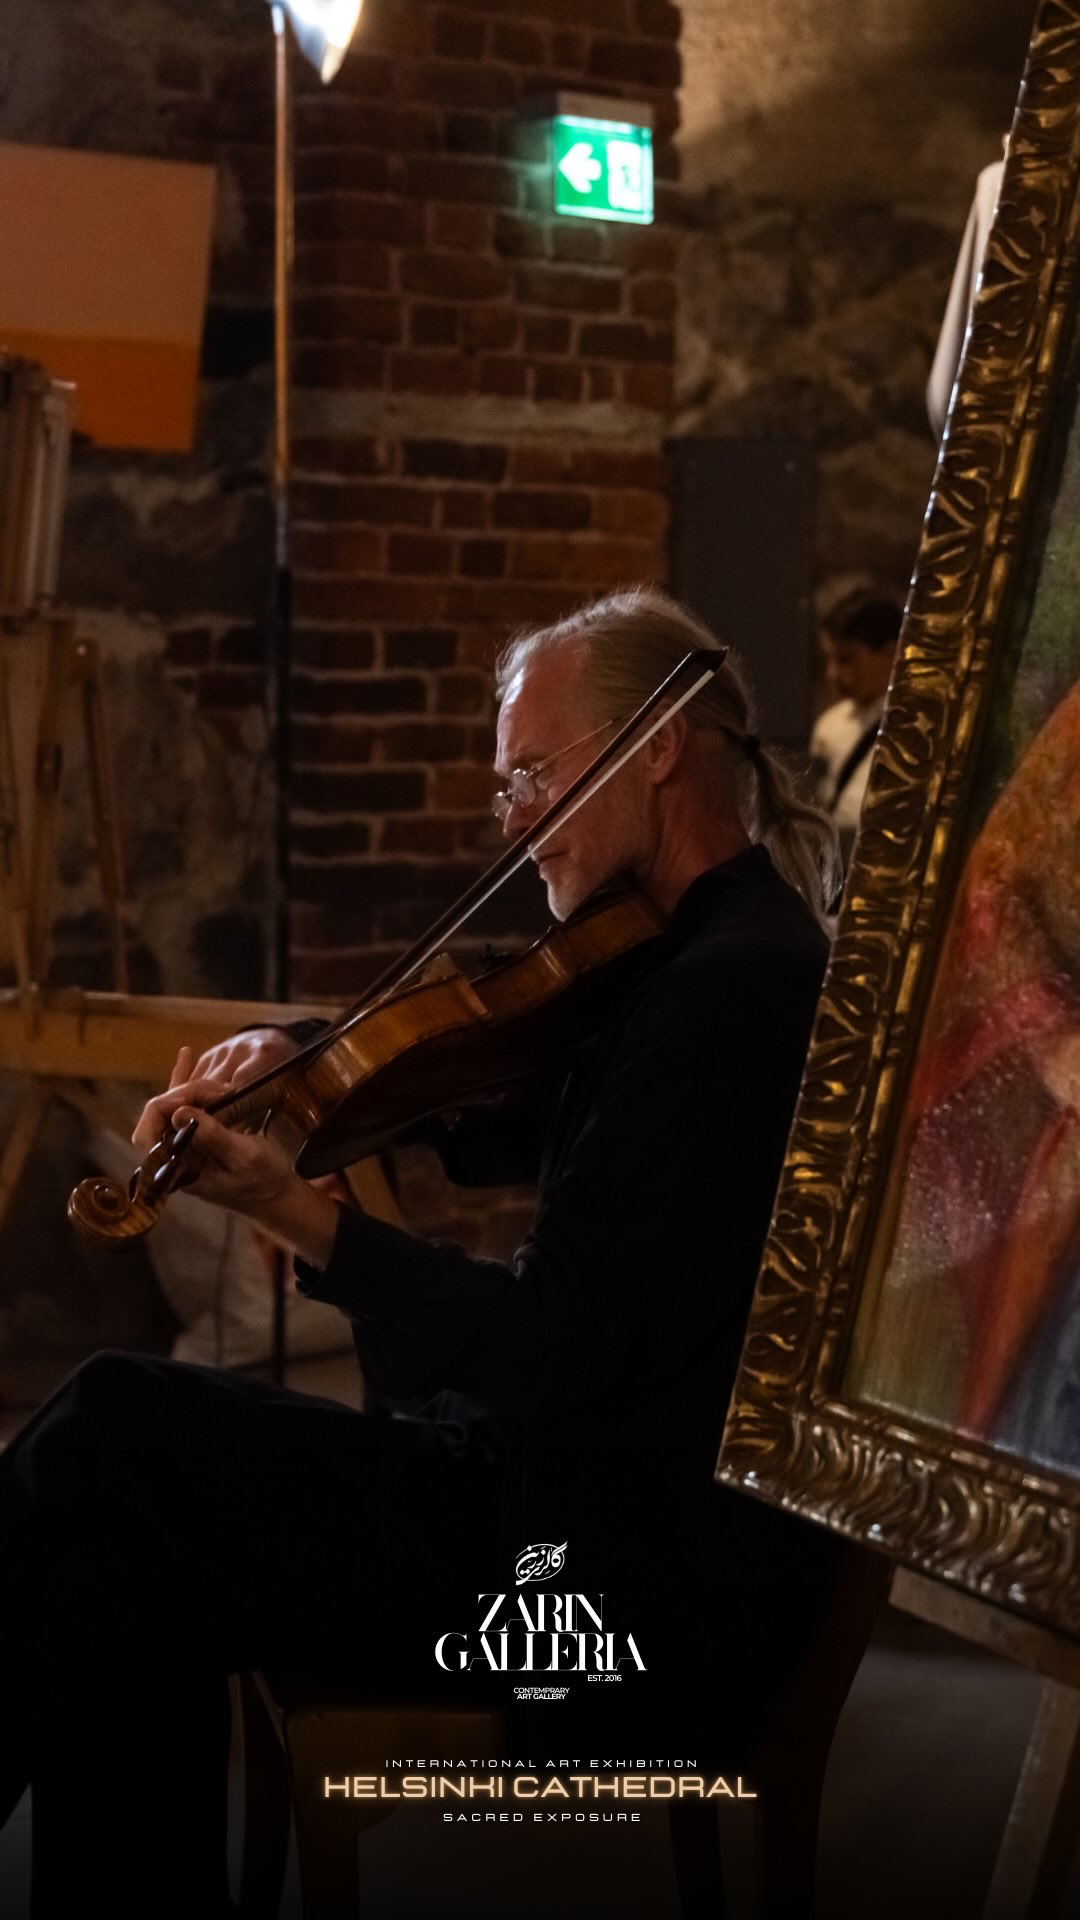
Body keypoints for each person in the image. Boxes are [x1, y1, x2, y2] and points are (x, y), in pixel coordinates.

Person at [0, 586, 854, 1916]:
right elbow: (475, 1092)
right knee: (116, 1583)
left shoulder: (733, 989)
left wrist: (301, 1214)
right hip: (570, 1514)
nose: (511, 819)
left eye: (532, 773)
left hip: (611, 1594)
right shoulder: (678, 956)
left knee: (113, 1425)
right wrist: (302, 1057)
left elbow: (551, 1345)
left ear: (658, 746)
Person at [810, 588, 903, 867]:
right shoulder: (829, 725)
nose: (833, 674)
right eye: (829, 659)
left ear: (890, 653)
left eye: (847, 659)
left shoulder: (916, 720)